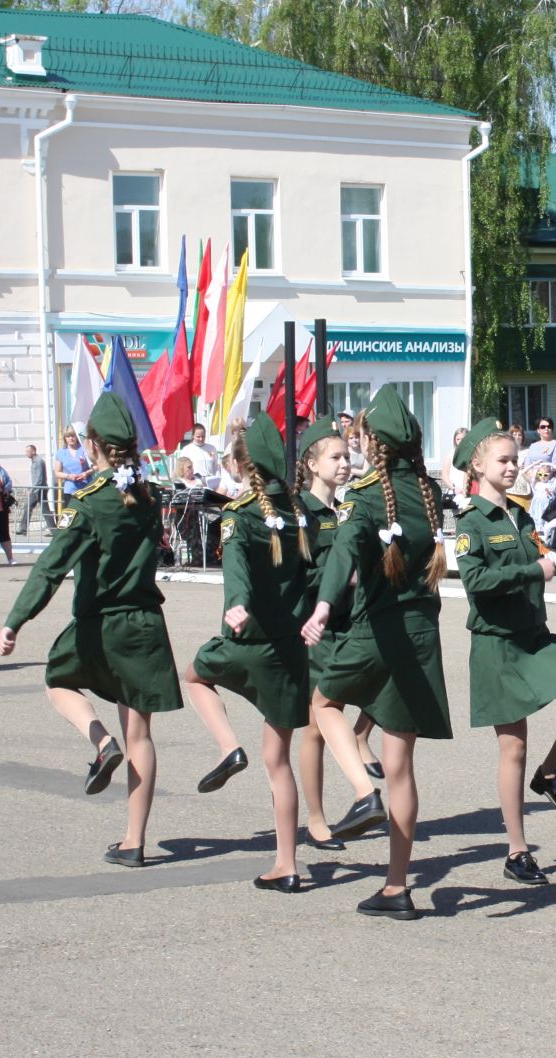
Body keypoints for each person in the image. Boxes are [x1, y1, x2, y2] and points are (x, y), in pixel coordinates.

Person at [0, 393, 183, 868]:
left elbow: (51, 567)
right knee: (141, 736)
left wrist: (16, 620)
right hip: (145, 625)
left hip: (102, 625)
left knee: (57, 681)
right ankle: (134, 841)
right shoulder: (149, 495)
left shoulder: (91, 502)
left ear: (93, 447)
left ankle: (100, 742)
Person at [301, 384, 452, 919]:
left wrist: (321, 607)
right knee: (403, 766)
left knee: (322, 705)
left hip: (377, 631)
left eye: (360, 437)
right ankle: (396, 887)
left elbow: (343, 553)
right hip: (423, 638)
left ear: (372, 442)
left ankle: (364, 793)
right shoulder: (429, 493)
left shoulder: (366, 496)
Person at [453, 420, 556, 884]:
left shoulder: (520, 516)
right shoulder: (471, 522)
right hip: (498, 643)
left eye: (514, 460)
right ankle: (518, 852)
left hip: (534, 636)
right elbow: (475, 584)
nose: (511, 467)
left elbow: (535, 559)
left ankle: (550, 774)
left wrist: (545, 565)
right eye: (502, 460)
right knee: (513, 748)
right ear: (478, 466)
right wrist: (533, 572)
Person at [180, 417, 313, 891]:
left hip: (249, 640)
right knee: (279, 761)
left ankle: (227, 747)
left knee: (194, 676)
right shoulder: (299, 512)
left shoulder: (240, 514)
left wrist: (235, 603)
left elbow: (234, 565)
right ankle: (287, 863)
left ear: (239, 466)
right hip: (290, 651)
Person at [291, 419, 384, 850]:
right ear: (311, 463)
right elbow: (296, 576)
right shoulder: (300, 514)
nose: (345, 463)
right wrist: (338, 582)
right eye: (336, 457)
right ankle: (317, 819)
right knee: (314, 726)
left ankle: (362, 749)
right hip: (316, 632)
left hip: (350, 626)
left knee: (327, 719)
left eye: (348, 456)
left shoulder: (343, 511)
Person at [19, 444, 53, 536]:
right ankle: (23, 529)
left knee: (45, 510)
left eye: (27, 451)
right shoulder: (35, 461)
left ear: (33, 451)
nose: (26, 453)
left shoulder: (38, 462)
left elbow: (39, 479)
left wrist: (31, 489)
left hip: (39, 490)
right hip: (37, 490)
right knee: (28, 507)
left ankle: (54, 531)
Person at [55, 430, 90, 504]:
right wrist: (68, 476)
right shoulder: (61, 452)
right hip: (70, 489)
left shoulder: (85, 449)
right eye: (68, 436)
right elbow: (57, 472)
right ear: (65, 438)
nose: (71, 438)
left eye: (73, 436)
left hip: (86, 487)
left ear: (77, 437)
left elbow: (96, 466)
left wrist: (86, 473)